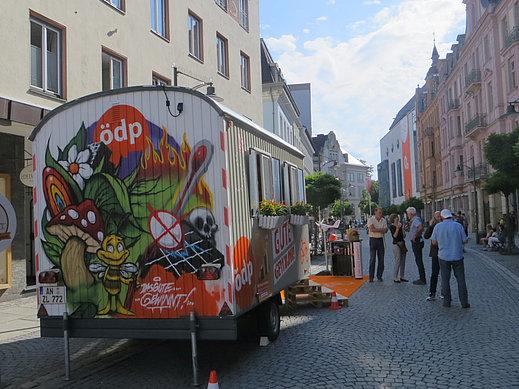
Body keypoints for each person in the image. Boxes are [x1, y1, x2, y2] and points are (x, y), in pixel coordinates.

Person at [431, 209, 470, 308]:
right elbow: (465, 241)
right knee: (461, 279)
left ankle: (447, 301)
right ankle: (464, 302)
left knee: (445, 279)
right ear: (451, 216)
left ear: (443, 217)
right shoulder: (458, 226)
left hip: (443, 256)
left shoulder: (438, 226)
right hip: (457, 255)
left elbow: (433, 242)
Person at [424, 211, 442, 300]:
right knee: (434, 273)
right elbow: (426, 236)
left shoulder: (444, 225)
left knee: (445, 274)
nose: (439, 218)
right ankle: (432, 292)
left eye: (440, 216)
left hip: (444, 252)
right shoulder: (433, 226)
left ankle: (444, 292)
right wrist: (430, 226)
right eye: (437, 217)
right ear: (434, 218)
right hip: (435, 252)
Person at [367, 208, 388, 282]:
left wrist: (377, 229)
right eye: (379, 212)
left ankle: (379, 276)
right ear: (375, 212)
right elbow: (371, 229)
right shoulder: (371, 219)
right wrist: (380, 230)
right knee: (372, 259)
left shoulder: (384, 220)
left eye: (381, 213)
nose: (380, 214)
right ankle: (371, 277)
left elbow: (385, 230)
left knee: (381, 260)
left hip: (381, 240)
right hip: (373, 239)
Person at [406, 207, 426, 285]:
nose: (407, 216)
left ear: (411, 214)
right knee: (418, 259)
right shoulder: (415, 220)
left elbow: (420, 227)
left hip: (416, 242)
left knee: (419, 260)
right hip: (417, 241)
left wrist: (415, 236)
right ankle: (422, 277)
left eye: (408, 214)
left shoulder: (415, 220)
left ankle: (422, 278)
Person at [389, 214, 408, 283]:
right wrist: (397, 228)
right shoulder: (392, 227)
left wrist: (402, 229)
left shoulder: (400, 225)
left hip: (402, 243)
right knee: (398, 261)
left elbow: (404, 236)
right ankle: (395, 277)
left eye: (397, 217)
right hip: (396, 244)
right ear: (393, 219)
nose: (397, 218)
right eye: (396, 217)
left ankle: (402, 276)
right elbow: (394, 236)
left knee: (403, 261)